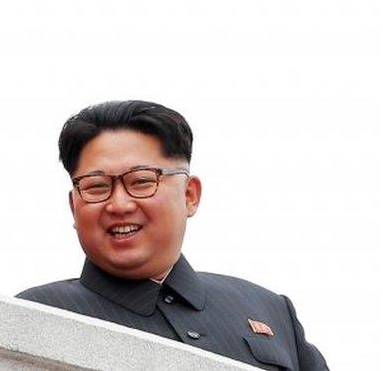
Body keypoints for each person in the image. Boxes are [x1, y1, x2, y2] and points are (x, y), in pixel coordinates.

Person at [17, 101, 328, 369]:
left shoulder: (267, 308)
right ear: (74, 207)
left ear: (190, 195)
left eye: (141, 181)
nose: (119, 204)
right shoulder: (31, 316)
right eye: (97, 187)